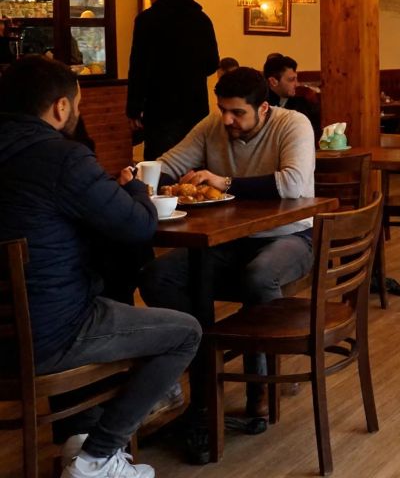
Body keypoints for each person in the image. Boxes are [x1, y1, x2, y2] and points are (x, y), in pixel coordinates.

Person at [0, 56, 202, 478]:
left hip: (15, 329)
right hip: (47, 336)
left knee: (94, 288)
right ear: (60, 107)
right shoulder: (63, 158)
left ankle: (79, 434)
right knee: (184, 333)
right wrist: (138, 190)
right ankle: (97, 456)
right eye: (78, 104)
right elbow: (139, 226)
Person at [138, 66, 318, 419]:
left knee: (259, 276)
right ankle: (201, 353)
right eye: (222, 110)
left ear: (263, 108)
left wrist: (225, 182)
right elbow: (171, 162)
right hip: (228, 238)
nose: (227, 119)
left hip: (290, 235)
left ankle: (261, 382)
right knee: (157, 276)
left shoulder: (293, 123)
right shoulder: (213, 125)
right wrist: (139, 177)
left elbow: (293, 184)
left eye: (237, 112)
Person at [126, 0, 219, 160]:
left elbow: (138, 67)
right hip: (195, 105)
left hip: (160, 108)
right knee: (193, 160)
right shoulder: (201, 18)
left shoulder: (147, 20)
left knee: (161, 162)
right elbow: (212, 63)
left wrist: (134, 109)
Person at [263, 53, 320, 136]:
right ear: (273, 81)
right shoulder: (261, 107)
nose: (297, 84)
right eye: (291, 80)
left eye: (296, 79)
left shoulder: (303, 104)